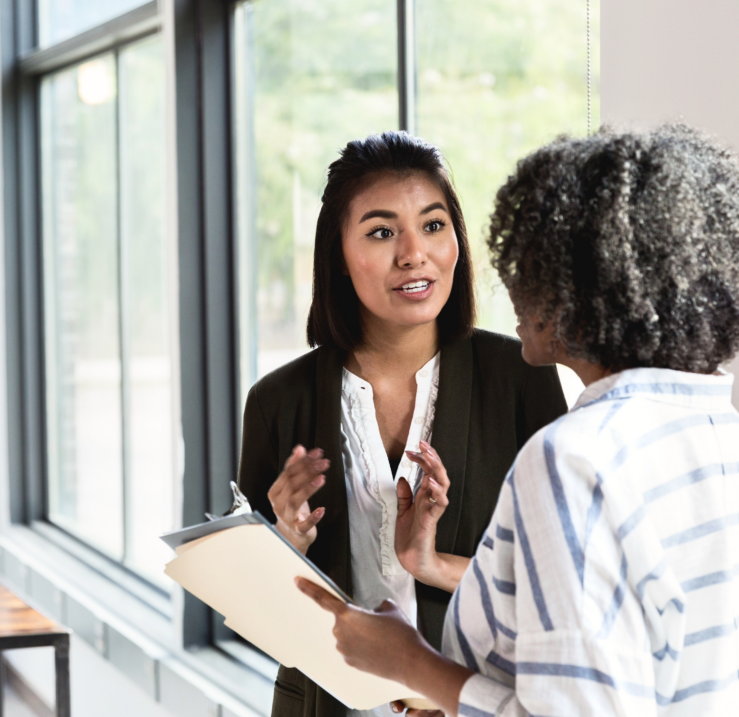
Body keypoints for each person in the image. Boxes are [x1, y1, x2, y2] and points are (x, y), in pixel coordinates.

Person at [297, 125, 739, 716]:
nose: (511, 284)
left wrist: (410, 663)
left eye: (530, 262)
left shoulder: (574, 460)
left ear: (587, 287)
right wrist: (431, 572)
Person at [238, 131, 568, 717]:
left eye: (434, 225)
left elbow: (559, 586)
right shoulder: (277, 402)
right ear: (338, 255)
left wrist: (435, 570)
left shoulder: (519, 378)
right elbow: (255, 623)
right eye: (382, 231)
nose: (414, 253)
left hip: (476, 700)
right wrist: (284, 547)